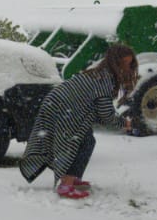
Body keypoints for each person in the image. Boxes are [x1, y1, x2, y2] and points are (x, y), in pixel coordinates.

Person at [18, 43, 139, 199]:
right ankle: (66, 184)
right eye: (125, 64)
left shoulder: (101, 74)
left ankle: (72, 179)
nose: (127, 69)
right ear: (115, 63)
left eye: (130, 65)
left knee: (86, 140)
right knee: (80, 142)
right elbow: (106, 115)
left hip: (61, 105)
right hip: (62, 109)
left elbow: (99, 112)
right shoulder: (105, 79)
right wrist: (125, 123)